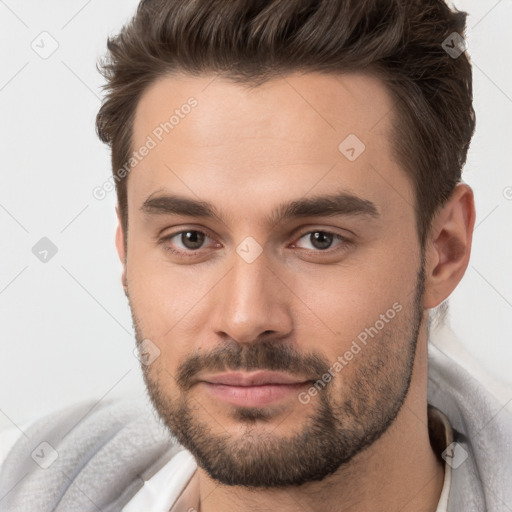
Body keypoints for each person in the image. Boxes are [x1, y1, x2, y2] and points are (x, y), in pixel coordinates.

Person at [1, 0, 511, 510]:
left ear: (444, 250)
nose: (245, 319)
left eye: (319, 239)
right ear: (127, 249)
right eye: (191, 239)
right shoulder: (32, 480)